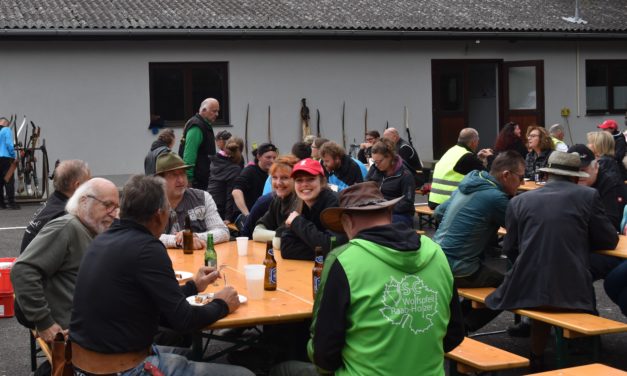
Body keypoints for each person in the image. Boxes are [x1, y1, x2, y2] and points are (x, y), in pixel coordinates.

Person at [69, 175, 253, 376]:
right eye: (168, 211)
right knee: (244, 374)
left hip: (85, 362)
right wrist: (222, 304)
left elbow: (155, 306)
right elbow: (183, 321)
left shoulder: (103, 239)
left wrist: (193, 287)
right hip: (122, 368)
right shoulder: (147, 248)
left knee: (192, 355)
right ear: (159, 215)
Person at [275, 181, 464, 375]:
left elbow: (324, 354)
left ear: (347, 221)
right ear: (389, 214)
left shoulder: (344, 260)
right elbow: (455, 334)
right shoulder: (436, 252)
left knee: (282, 370)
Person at [485, 151, 618, 367]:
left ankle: (537, 355)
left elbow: (510, 248)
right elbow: (608, 240)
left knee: (547, 285)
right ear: (576, 178)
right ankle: (587, 354)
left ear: (547, 176)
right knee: (571, 276)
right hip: (571, 288)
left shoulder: (519, 201)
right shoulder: (588, 196)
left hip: (524, 286)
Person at [10, 178, 119, 340]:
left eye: (116, 207)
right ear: (84, 201)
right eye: (108, 205)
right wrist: (44, 322)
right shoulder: (67, 227)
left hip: (88, 325)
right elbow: (22, 270)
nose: (114, 214)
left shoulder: (90, 229)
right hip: (78, 334)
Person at [434, 151, 525, 331]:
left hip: (437, 260)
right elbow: (520, 231)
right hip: (459, 268)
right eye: (521, 177)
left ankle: (456, 321)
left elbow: (438, 212)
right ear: (506, 175)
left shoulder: (470, 183)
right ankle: (464, 326)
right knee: (511, 286)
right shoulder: (495, 198)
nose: (522, 183)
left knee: (489, 277)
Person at [568, 144, 624, 280]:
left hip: (612, 248)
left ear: (596, 167)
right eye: (575, 170)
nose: (580, 175)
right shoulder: (565, 182)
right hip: (578, 244)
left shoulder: (610, 183)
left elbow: (611, 224)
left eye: (584, 169)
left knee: (577, 270)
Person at [155, 152, 229, 249]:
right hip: (164, 261)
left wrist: (195, 236)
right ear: (160, 180)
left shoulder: (203, 197)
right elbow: (146, 236)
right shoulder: (151, 202)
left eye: (183, 173)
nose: (181, 180)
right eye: (173, 175)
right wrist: (178, 241)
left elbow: (223, 232)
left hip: (199, 261)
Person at [20, 159, 91, 253]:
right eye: (88, 184)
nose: (90, 188)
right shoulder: (65, 215)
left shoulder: (54, 202)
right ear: (77, 186)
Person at [282, 158, 345, 260]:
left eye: (310, 179)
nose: (304, 184)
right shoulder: (300, 203)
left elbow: (331, 247)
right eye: (299, 180)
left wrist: (297, 222)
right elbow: (286, 248)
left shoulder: (334, 203)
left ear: (322, 181)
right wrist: (321, 249)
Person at [428, 128, 493, 209]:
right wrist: (490, 157)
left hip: (435, 201)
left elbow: (464, 167)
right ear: (473, 142)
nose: (477, 144)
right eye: (477, 141)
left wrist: (477, 159)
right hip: (449, 203)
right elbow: (490, 177)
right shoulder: (468, 157)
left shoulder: (451, 151)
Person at [365, 138, 416, 226]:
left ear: (389, 156)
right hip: (377, 210)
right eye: (374, 161)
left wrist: (385, 208)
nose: (376, 165)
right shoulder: (375, 169)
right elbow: (365, 187)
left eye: (379, 161)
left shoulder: (405, 175)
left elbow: (407, 203)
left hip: (400, 215)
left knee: (377, 223)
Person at [253, 155, 300, 244]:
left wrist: (272, 236)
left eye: (285, 178)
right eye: (274, 177)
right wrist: (277, 236)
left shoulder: (301, 203)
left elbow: (280, 242)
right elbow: (256, 233)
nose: (278, 183)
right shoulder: (277, 200)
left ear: (296, 180)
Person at [179, 98, 220, 190]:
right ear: (204, 110)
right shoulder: (197, 127)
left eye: (218, 111)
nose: (217, 114)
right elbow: (189, 155)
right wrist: (188, 179)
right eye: (214, 111)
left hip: (203, 181)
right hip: (196, 183)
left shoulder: (204, 125)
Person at [232, 143, 278, 222]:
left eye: (274, 158)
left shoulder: (275, 174)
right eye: (268, 157)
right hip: (246, 215)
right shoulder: (250, 171)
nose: (272, 161)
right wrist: (247, 215)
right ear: (258, 157)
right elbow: (236, 191)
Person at [208, 137, 244, 223]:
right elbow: (230, 194)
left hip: (209, 203)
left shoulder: (215, 161)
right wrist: (228, 218)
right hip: (220, 209)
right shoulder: (234, 169)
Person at [0, 116, 19, 209]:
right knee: (9, 180)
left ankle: (1, 204)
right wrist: (13, 155)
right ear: (5, 123)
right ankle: (12, 203)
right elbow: (8, 144)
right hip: (5, 158)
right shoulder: (6, 130)